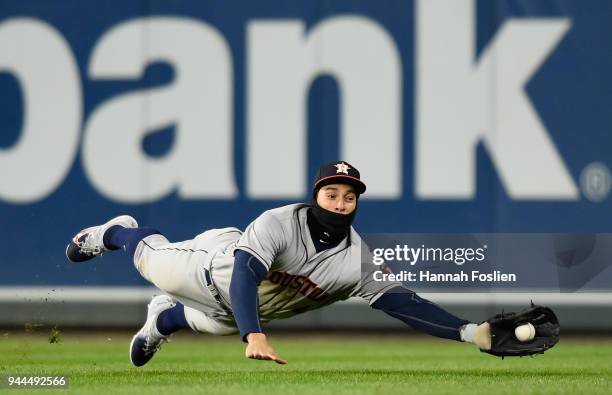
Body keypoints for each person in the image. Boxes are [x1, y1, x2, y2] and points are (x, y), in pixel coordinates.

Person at [66, 161, 491, 366]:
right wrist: (254, 334)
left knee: (207, 322)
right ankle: (113, 232)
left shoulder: (357, 261)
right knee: (149, 258)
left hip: (234, 312)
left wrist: (472, 332)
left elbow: (406, 304)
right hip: (210, 268)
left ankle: (159, 321)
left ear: (357, 202)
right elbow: (247, 275)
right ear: (316, 195)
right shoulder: (281, 222)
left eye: (349, 197)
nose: (340, 204)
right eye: (331, 195)